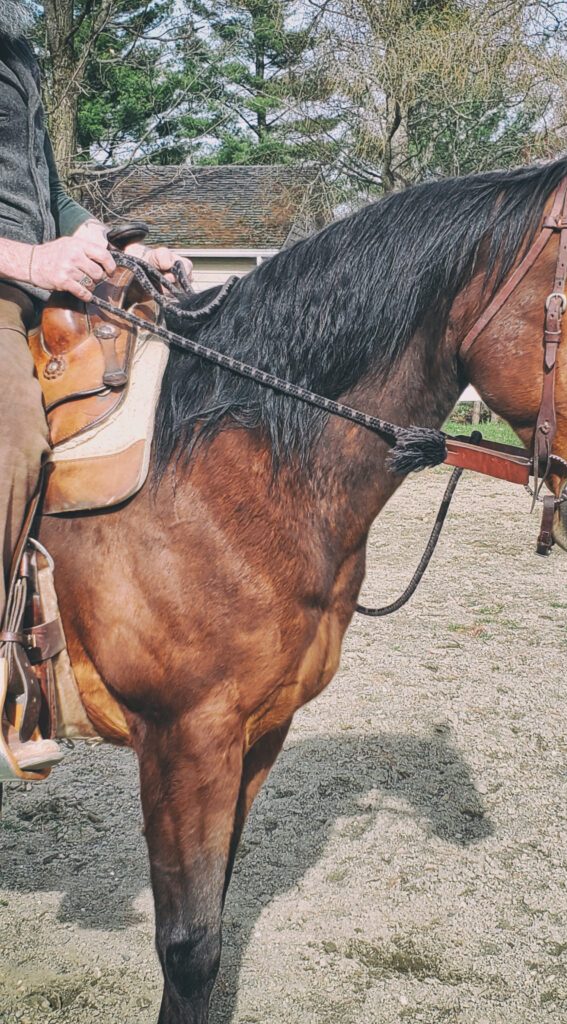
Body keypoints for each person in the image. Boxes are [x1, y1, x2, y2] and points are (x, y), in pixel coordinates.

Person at [0, 1, 192, 777]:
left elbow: (44, 186)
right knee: (13, 441)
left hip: (40, 288)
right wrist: (33, 261)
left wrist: (119, 241)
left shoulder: (18, 49)